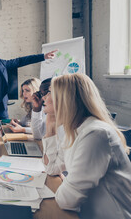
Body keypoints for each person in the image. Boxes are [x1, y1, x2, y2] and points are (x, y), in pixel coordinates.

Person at [43, 73, 131, 218]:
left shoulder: (95, 135)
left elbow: (67, 200)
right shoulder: (73, 129)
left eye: (50, 92)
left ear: (65, 99)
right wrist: (50, 126)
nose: (44, 97)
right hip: (86, 212)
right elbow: (52, 168)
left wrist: (68, 185)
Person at [0, 47, 57, 122]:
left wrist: (43, 57)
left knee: (4, 135)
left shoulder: (0, 64)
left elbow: (20, 61)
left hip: (1, 111)